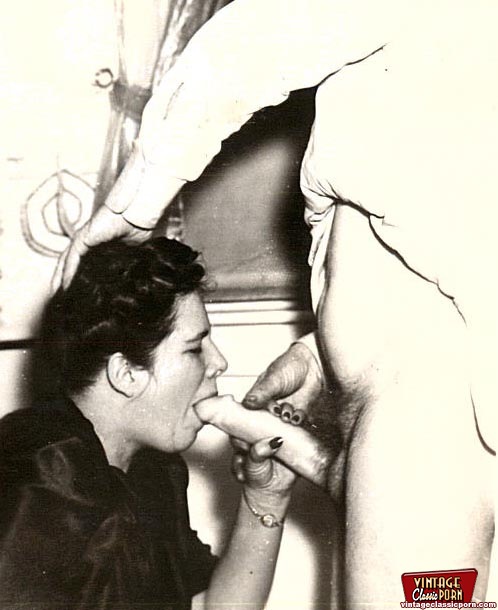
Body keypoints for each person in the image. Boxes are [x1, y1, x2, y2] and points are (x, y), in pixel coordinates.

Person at [54, 0, 498, 606]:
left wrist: (131, 204)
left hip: (433, 433)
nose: (217, 360)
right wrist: (323, 359)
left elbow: (261, 36)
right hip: (441, 433)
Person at [0, 236, 318, 610]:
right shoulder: (41, 471)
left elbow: (209, 605)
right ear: (126, 373)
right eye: (195, 348)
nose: (219, 363)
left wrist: (265, 496)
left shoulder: (155, 470)